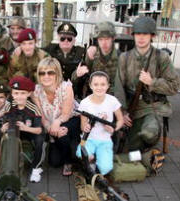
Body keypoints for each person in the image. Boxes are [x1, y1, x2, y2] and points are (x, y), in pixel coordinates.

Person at [114, 16, 180, 152]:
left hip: (153, 107)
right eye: (138, 33)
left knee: (149, 134)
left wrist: (152, 82)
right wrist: (122, 112)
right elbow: (119, 87)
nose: (141, 37)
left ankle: (150, 140)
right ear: (133, 35)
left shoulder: (161, 57)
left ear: (152, 36)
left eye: (145, 34)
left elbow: (175, 86)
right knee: (128, 148)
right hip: (132, 107)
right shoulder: (124, 58)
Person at [32, 57, 80, 176]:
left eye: (50, 72)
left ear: (57, 73)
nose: (46, 76)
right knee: (54, 162)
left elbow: (66, 114)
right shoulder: (36, 91)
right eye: (42, 73)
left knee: (63, 133)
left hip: (71, 118)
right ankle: (58, 142)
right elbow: (41, 116)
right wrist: (50, 128)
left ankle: (69, 161)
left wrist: (57, 123)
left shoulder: (66, 87)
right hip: (50, 125)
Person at [76, 71, 123, 175]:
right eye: (96, 84)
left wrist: (114, 129)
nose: (99, 87)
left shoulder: (112, 101)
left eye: (103, 84)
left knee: (105, 169)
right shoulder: (84, 103)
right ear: (90, 85)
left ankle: (98, 161)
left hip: (105, 140)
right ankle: (91, 161)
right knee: (81, 154)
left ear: (108, 86)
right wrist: (86, 127)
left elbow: (120, 120)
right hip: (88, 139)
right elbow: (82, 125)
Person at [1, 76, 45, 183]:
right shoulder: (9, 106)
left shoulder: (33, 108)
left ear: (29, 94)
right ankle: (7, 165)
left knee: (40, 140)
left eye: (22, 93)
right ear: (11, 93)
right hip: (15, 132)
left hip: (30, 132)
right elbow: (4, 125)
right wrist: (3, 128)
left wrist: (26, 128)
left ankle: (36, 168)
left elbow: (39, 130)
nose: (19, 97)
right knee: (2, 137)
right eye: (16, 93)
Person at [73, 21, 118, 95]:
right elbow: (74, 78)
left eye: (107, 39)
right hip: (92, 96)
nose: (104, 43)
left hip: (110, 98)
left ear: (113, 39)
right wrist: (77, 74)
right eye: (101, 39)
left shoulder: (120, 58)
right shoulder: (92, 54)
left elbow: (121, 86)